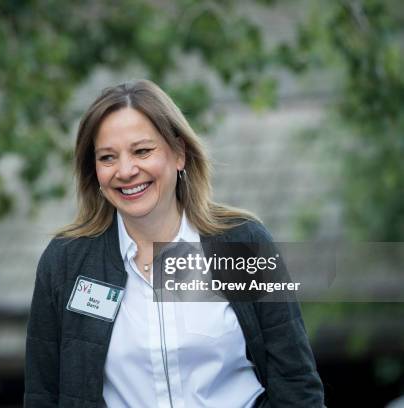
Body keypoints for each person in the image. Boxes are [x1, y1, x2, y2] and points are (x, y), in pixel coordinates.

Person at [24, 79, 324, 407]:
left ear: (179, 153)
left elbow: (296, 383)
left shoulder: (241, 243)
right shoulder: (66, 262)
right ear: (93, 170)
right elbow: (42, 395)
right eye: (108, 158)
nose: (125, 170)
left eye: (142, 151)